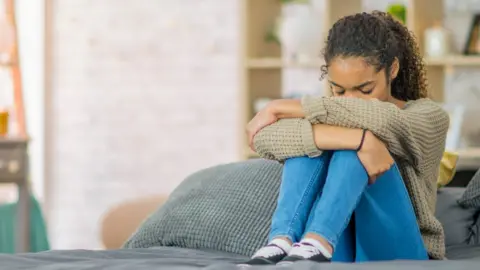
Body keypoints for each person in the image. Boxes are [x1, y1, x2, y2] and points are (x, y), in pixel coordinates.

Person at [240, 11, 449, 266]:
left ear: (392, 69)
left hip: (400, 246)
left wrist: (282, 107)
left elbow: (385, 119)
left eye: (365, 89)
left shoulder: (429, 116)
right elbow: (264, 138)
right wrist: (359, 139)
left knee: (352, 145)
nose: (350, 100)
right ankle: (282, 239)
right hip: (336, 250)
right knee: (317, 145)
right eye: (338, 90)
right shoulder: (333, 113)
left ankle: (319, 238)